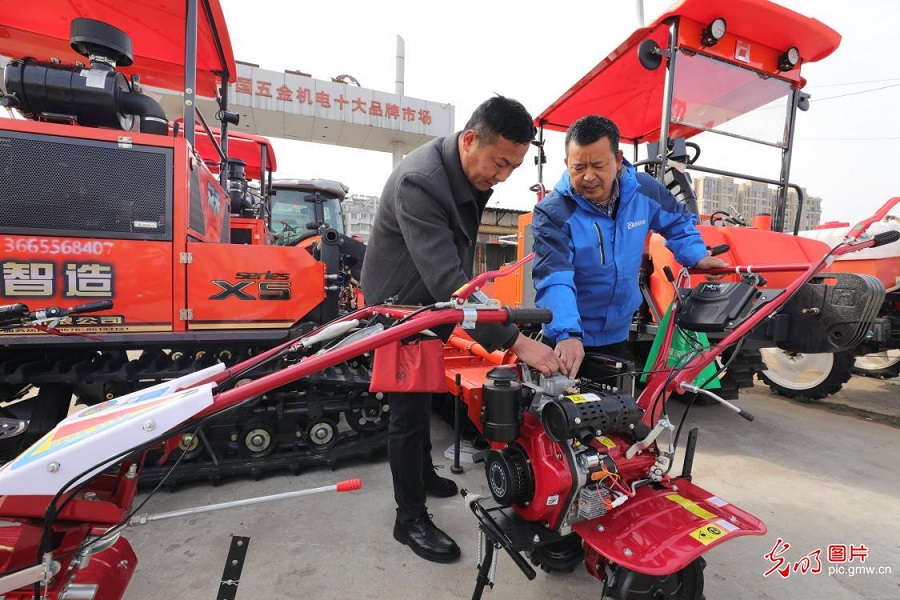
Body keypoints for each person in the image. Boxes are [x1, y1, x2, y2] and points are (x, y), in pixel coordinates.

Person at [361, 95, 564, 564]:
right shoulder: (421, 181)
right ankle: (408, 518)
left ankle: (422, 475)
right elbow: (451, 283)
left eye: (512, 167)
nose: (502, 176)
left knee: (433, 391)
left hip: (429, 304)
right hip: (398, 312)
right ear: (470, 140)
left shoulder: (465, 172)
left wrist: (492, 311)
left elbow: (458, 278)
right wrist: (516, 341)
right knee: (408, 414)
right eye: (499, 163)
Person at [532, 115, 727, 379]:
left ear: (617, 158)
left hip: (616, 333)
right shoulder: (553, 212)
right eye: (578, 167)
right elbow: (555, 278)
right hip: (569, 340)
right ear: (567, 163)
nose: (588, 177)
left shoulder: (643, 191)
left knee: (616, 411)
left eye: (598, 166)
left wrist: (696, 256)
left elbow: (678, 222)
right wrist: (566, 334)